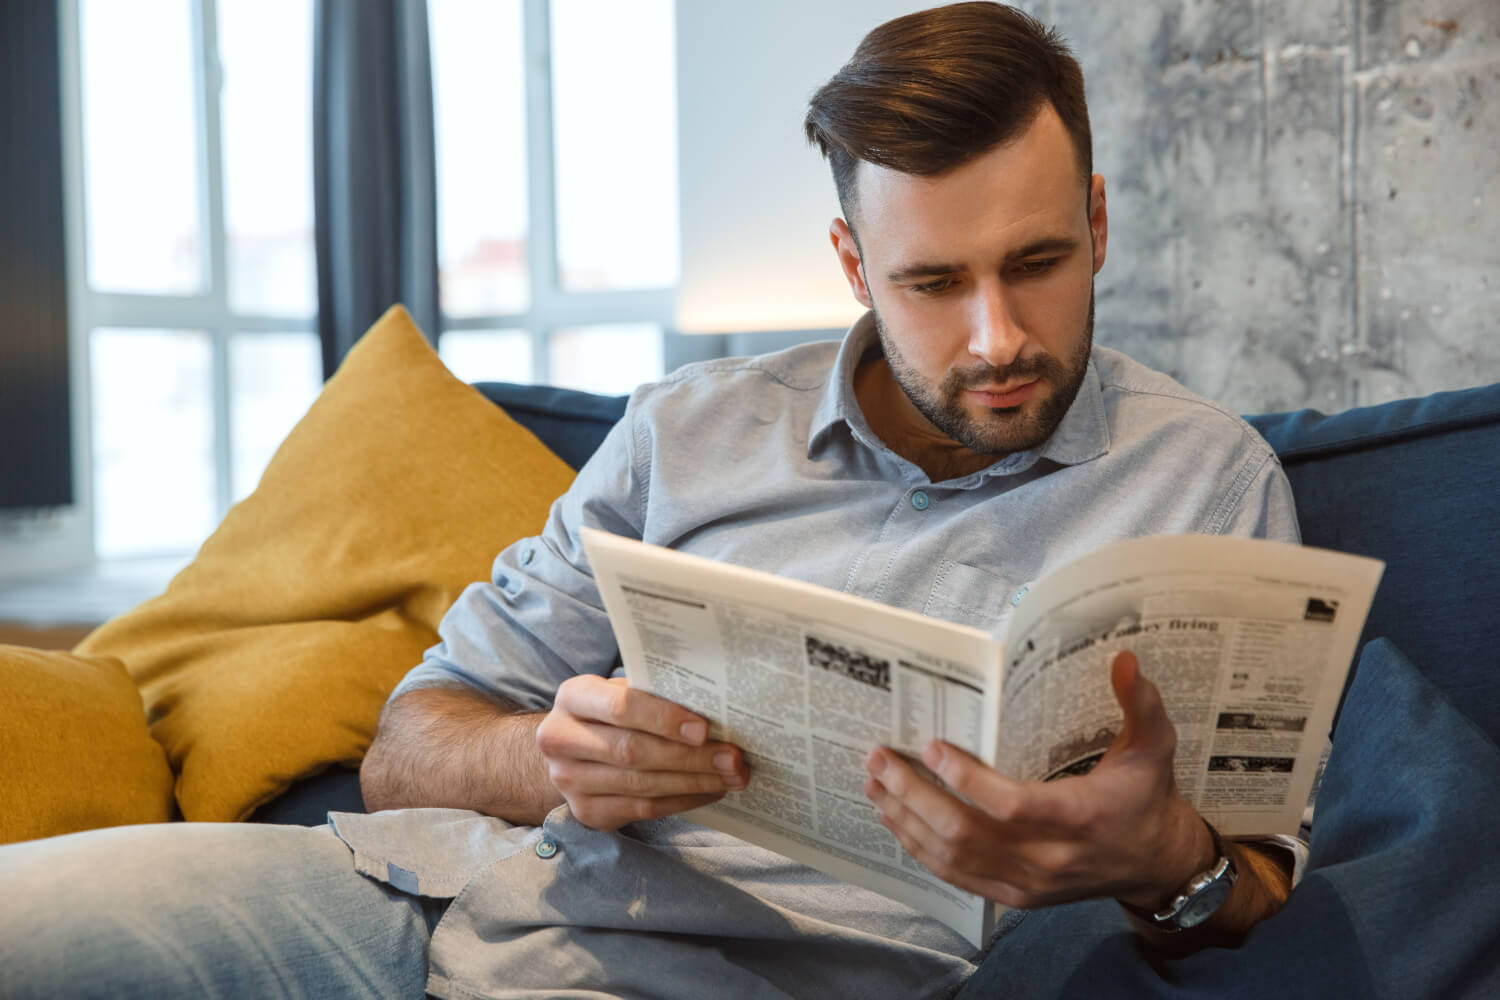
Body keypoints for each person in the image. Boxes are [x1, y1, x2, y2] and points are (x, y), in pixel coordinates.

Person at [0, 4, 1303, 998]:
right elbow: (408, 748)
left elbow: (1258, 888)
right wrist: (551, 756)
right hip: (444, 905)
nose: (995, 335)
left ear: (1100, 225)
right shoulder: (690, 431)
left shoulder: (1205, 477)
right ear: (853, 262)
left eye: (1038, 263)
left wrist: (1166, 860)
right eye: (932, 283)